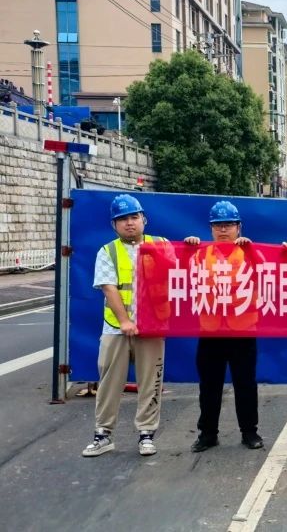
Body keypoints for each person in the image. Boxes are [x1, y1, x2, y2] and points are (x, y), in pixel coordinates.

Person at [82, 194, 167, 457]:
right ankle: (103, 435)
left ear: (144, 219)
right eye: (122, 219)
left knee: (151, 381)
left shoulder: (162, 245)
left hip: (151, 327)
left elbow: (184, 272)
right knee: (109, 382)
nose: (129, 223)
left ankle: (146, 434)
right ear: (114, 225)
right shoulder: (108, 251)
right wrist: (125, 321)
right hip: (116, 328)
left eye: (133, 217)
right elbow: (109, 288)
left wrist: (191, 244)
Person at [185, 201, 264, 453]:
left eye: (228, 224)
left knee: (245, 384)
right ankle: (208, 434)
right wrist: (186, 249)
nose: (223, 230)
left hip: (242, 331)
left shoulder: (249, 252)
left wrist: (251, 250)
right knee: (209, 385)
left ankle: (249, 431)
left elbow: (267, 272)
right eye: (218, 225)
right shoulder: (200, 254)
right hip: (211, 331)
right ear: (211, 228)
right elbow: (181, 274)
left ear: (238, 227)